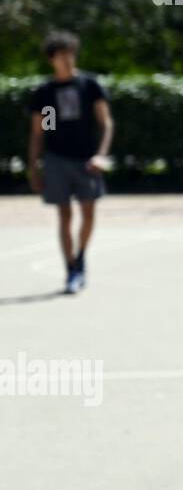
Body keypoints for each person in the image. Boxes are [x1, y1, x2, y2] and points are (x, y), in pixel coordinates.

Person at [26, 31, 115, 294]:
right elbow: (42, 131)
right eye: (61, 56)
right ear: (51, 60)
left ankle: (82, 256)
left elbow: (106, 123)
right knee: (64, 215)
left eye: (70, 55)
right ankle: (71, 269)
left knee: (88, 212)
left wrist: (101, 154)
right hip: (57, 160)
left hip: (86, 159)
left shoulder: (89, 86)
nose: (67, 61)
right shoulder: (46, 93)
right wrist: (34, 165)